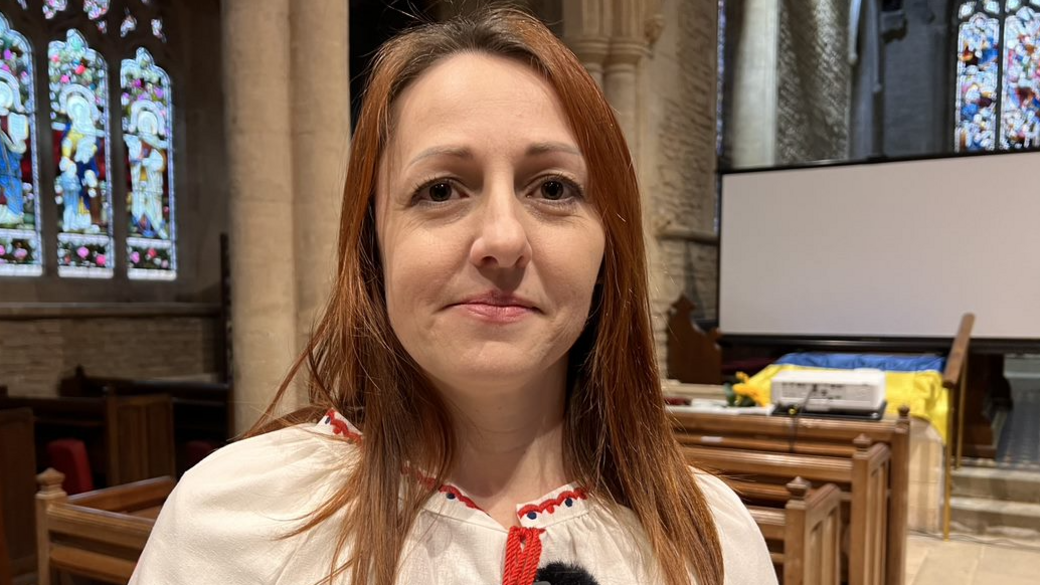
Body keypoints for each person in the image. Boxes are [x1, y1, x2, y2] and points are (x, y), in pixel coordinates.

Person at [130, 7, 775, 585]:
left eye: (552, 188)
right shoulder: (232, 521)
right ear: (372, 244)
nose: (501, 239)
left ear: (610, 245)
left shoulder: (712, 543)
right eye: (440, 190)